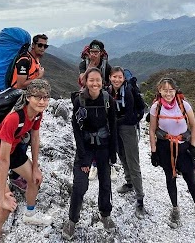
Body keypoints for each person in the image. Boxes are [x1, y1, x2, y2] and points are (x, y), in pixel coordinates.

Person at [0, 79, 53, 243]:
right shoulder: (13, 118)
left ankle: (30, 214)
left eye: (46, 97)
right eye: (37, 97)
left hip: (11, 151)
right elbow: (3, 160)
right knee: (3, 209)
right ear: (28, 97)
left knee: (35, 179)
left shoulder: (37, 113)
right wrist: (2, 196)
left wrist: (35, 167)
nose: (42, 101)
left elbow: (35, 137)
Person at [62, 67, 117, 240]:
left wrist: (113, 153)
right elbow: (76, 130)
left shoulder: (108, 100)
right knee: (80, 185)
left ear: (103, 82)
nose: (95, 83)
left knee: (105, 183)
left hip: (104, 146)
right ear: (85, 82)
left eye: (98, 80)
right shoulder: (80, 101)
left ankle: (105, 214)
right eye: (91, 80)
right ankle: (72, 220)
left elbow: (113, 126)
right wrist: (83, 157)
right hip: (85, 146)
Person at [148, 77, 195, 229]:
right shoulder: (156, 107)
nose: (168, 93)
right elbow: (152, 130)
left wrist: (192, 147)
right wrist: (153, 151)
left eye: (171, 90)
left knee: (190, 179)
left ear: (175, 90)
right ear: (159, 91)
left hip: (183, 147)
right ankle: (175, 208)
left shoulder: (183, 105)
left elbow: (193, 126)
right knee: (170, 178)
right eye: (164, 90)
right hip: (164, 148)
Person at [8, 33, 48, 191]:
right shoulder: (24, 60)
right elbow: (20, 84)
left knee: (27, 137)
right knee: (21, 138)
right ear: (33, 45)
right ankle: (15, 175)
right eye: (40, 45)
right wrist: (39, 77)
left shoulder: (35, 60)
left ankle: (19, 170)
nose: (43, 48)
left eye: (45, 46)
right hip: (18, 104)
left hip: (29, 104)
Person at [108, 66, 145, 218]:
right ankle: (129, 183)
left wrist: (117, 122)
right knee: (122, 157)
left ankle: (140, 199)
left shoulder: (128, 92)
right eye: (114, 77)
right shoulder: (109, 90)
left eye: (119, 77)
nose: (117, 79)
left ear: (123, 78)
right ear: (110, 77)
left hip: (128, 129)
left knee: (133, 161)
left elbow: (130, 115)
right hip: (116, 128)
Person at [78, 39, 112, 180]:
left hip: (103, 99)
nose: (94, 55)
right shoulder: (83, 64)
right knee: (89, 129)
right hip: (87, 99)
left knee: (105, 129)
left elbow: (110, 83)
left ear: (101, 53)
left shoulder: (106, 66)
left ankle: (107, 162)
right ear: (88, 52)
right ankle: (93, 162)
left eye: (96, 52)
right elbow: (81, 80)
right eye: (92, 52)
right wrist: (89, 68)